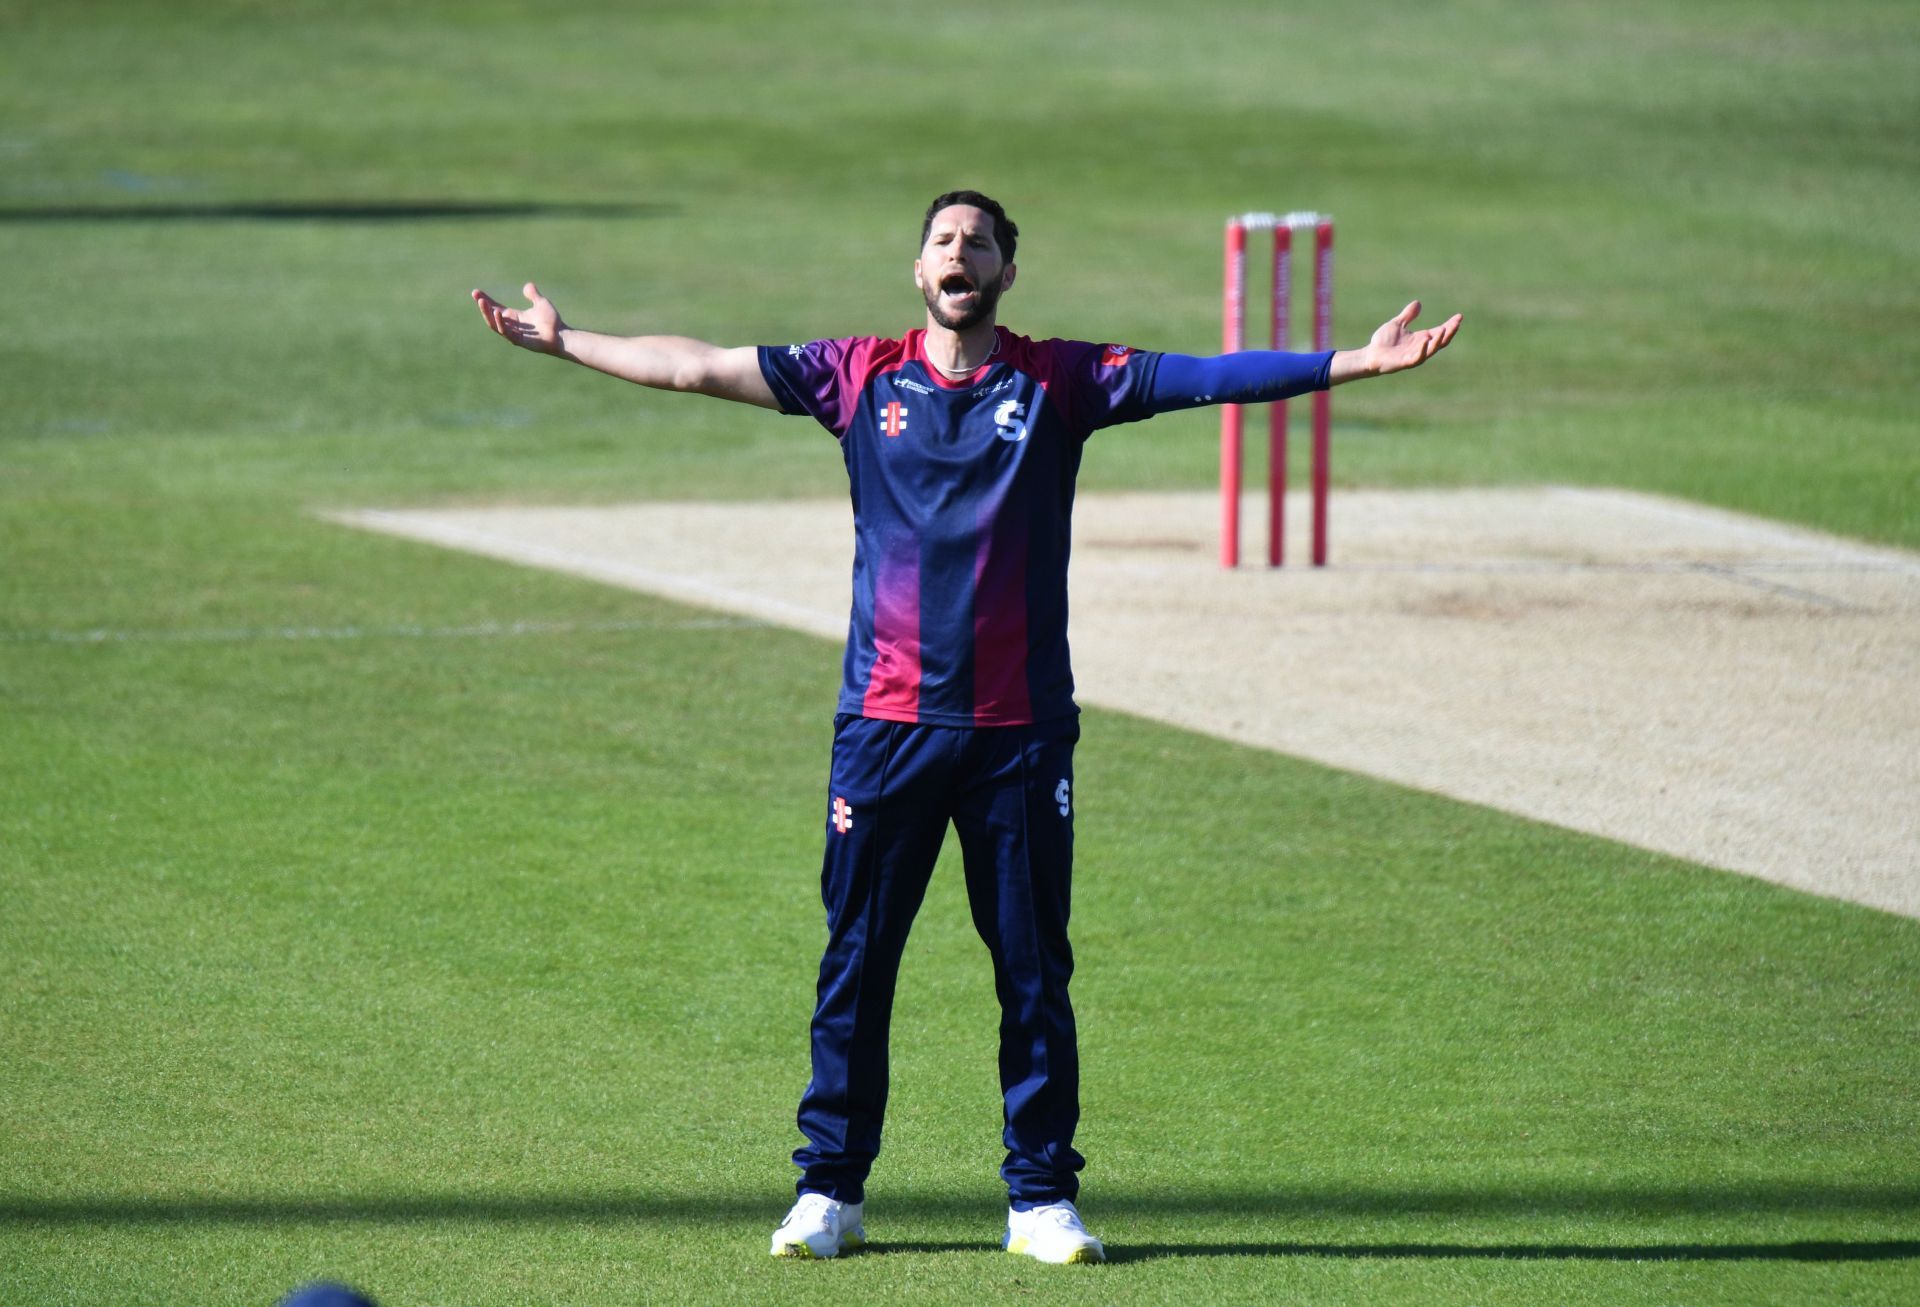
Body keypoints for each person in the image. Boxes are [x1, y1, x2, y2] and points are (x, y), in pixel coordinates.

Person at [472, 190, 1460, 1265]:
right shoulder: (855, 375)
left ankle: (1040, 1198)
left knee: (1032, 969)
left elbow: (1203, 376)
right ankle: (830, 1190)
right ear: (919, 269)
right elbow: (697, 364)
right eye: (944, 239)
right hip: (885, 727)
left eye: (979, 243)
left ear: (1004, 276)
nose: (961, 254)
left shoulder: (1059, 381)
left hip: (1019, 734)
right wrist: (570, 344)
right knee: (857, 961)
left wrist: (1351, 365)